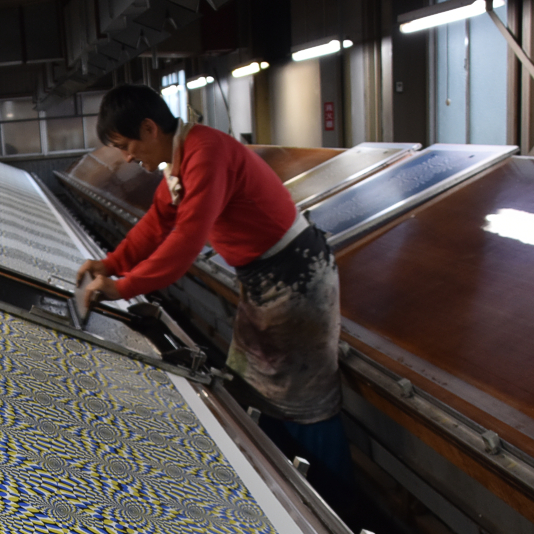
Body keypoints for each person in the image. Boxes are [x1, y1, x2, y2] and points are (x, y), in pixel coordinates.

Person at [77, 84, 352, 500]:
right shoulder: (180, 160)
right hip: (262, 280)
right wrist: (111, 264)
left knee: (305, 399)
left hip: (296, 278)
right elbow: (157, 223)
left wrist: (122, 287)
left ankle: (334, 499)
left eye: (126, 145)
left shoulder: (206, 153)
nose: (128, 157)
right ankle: (280, 479)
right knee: (253, 381)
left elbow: (185, 240)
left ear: (149, 128)